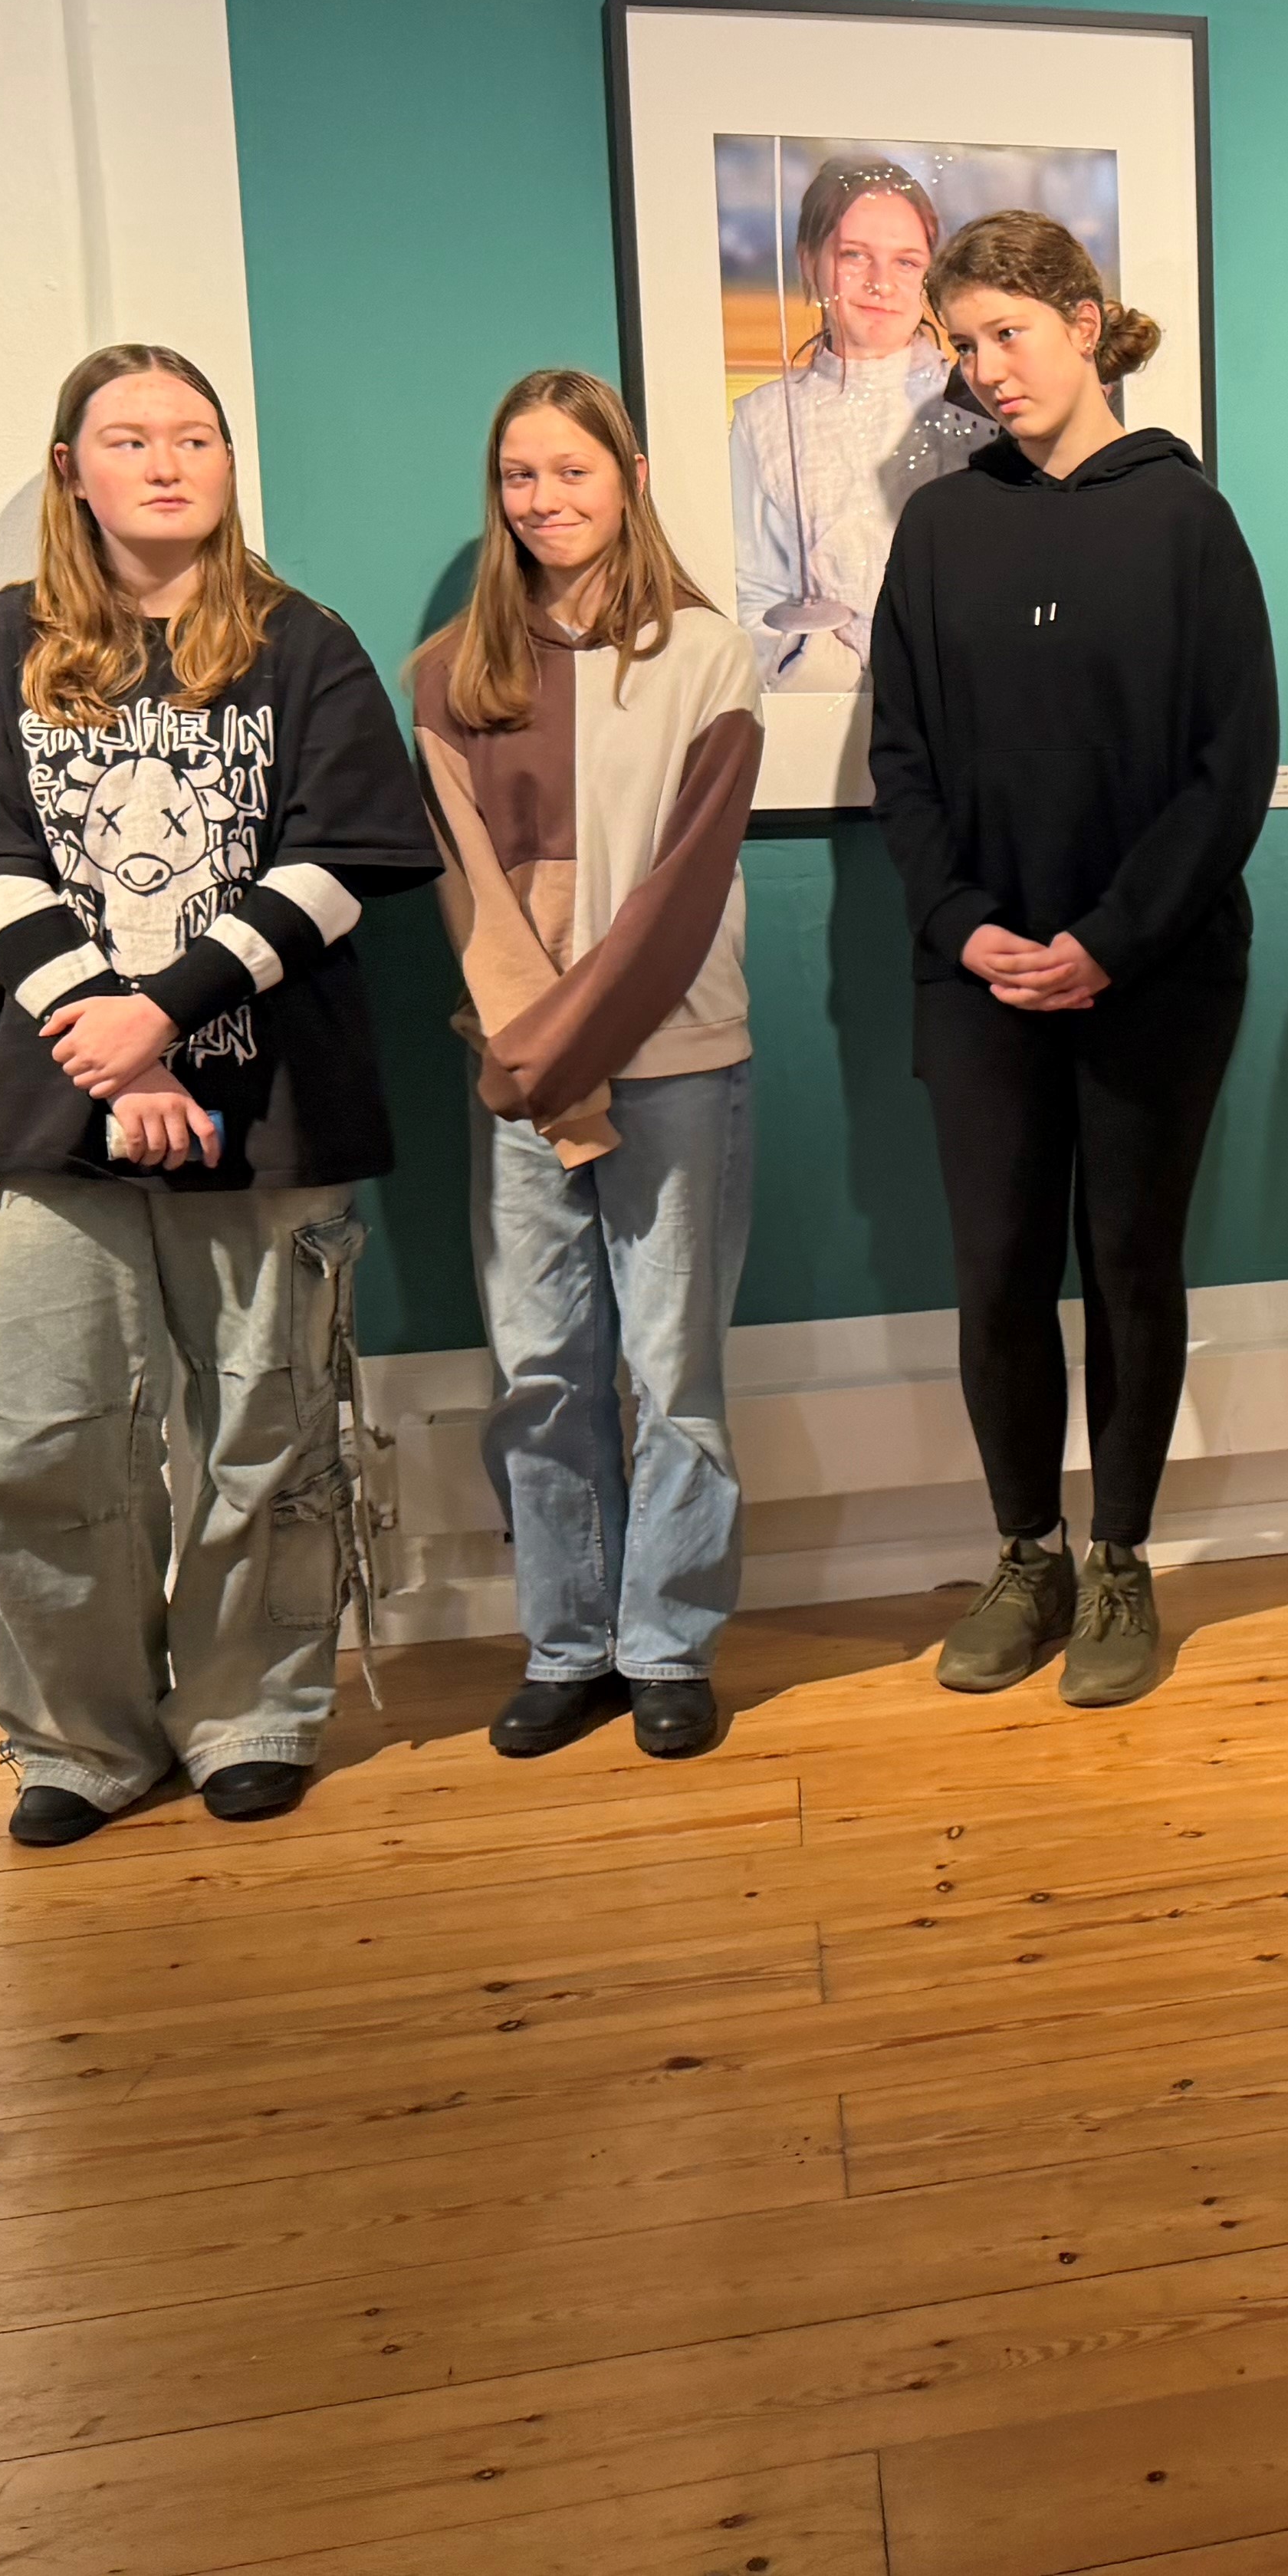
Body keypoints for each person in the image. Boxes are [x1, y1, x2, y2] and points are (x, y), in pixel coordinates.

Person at [0, 342, 438, 1846]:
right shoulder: (0, 644)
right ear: (70, 468)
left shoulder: (302, 642)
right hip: (51, 1115)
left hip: (273, 1111)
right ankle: (80, 1739)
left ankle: (251, 1714)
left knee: (268, 1435)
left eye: (194, 436)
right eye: (129, 437)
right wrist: (112, 1043)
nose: (165, 461)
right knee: (42, 1444)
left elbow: (345, 859)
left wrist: (167, 1014)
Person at [867, 209, 1275, 1710]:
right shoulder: (940, 528)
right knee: (995, 1270)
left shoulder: (1185, 520)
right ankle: (1026, 1551)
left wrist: (1110, 939)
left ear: (1085, 325)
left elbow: (1232, 766)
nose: (987, 368)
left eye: (1009, 333)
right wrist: (959, 921)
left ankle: (1119, 1561)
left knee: (1129, 1264)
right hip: (977, 973)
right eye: (963, 343)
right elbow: (901, 756)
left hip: (1154, 974)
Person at [412, 369, 764, 1765]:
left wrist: (568, 1056)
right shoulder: (447, 674)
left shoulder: (706, 655)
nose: (545, 499)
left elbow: (680, 892)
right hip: (519, 1074)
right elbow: (469, 896)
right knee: (543, 1371)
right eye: (521, 475)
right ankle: (567, 1643)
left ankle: (666, 1641)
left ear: (630, 476)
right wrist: (539, 1061)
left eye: (573, 470)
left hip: (674, 1061)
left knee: (672, 1370)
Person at [731, 153, 990, 692]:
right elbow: (752, 596)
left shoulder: (982, 401)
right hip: (825, 719)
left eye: (906, 262)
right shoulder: (762, 420)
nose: (881, 283)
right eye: (855, 256)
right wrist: (831, 682)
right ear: (809, 261)